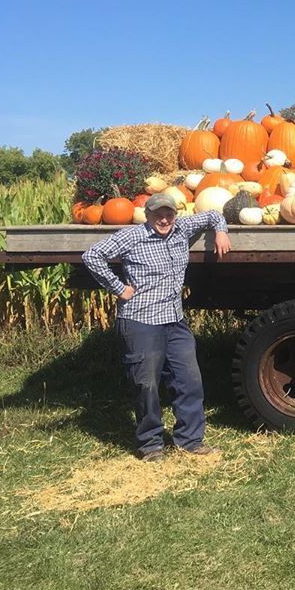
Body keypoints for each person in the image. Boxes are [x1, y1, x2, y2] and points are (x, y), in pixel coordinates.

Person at [82, 192, 232, 461]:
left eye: (169, 214)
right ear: (147, 215)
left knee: (189, 380)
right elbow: (92, 256)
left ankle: (190, 440)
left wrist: (221, 231)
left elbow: (212, 215)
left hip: (174, 320)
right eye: (158, 214)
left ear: (176, 214)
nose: (164, 219)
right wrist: (119, 288)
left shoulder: (181, 228)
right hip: (141, 320)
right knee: (146, 384)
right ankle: (150, 444)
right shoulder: (133, 236)